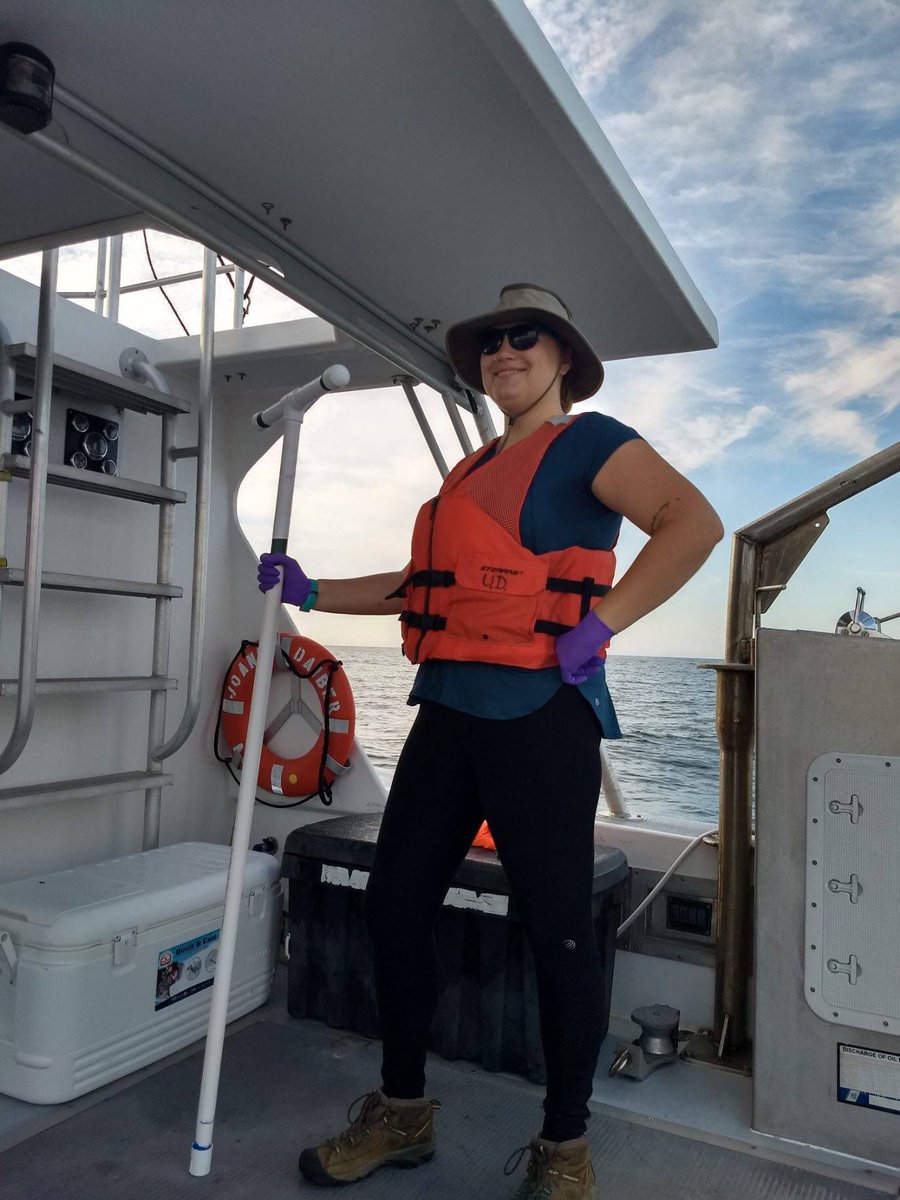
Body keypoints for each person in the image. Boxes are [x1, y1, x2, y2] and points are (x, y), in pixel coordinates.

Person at [257, 284, 724, 1198]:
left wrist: (609, 622)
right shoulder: (469, 471)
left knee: (556, 933)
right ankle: (401, 1111)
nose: (503, 353)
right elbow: (421, 583)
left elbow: (693, 524)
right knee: (392, 905)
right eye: (490, 343)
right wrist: (310, 593)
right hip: (447, 712)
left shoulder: (590, 441)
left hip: (541, 719)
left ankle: (566, 1146)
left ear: (562, 359)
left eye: (525, 338)